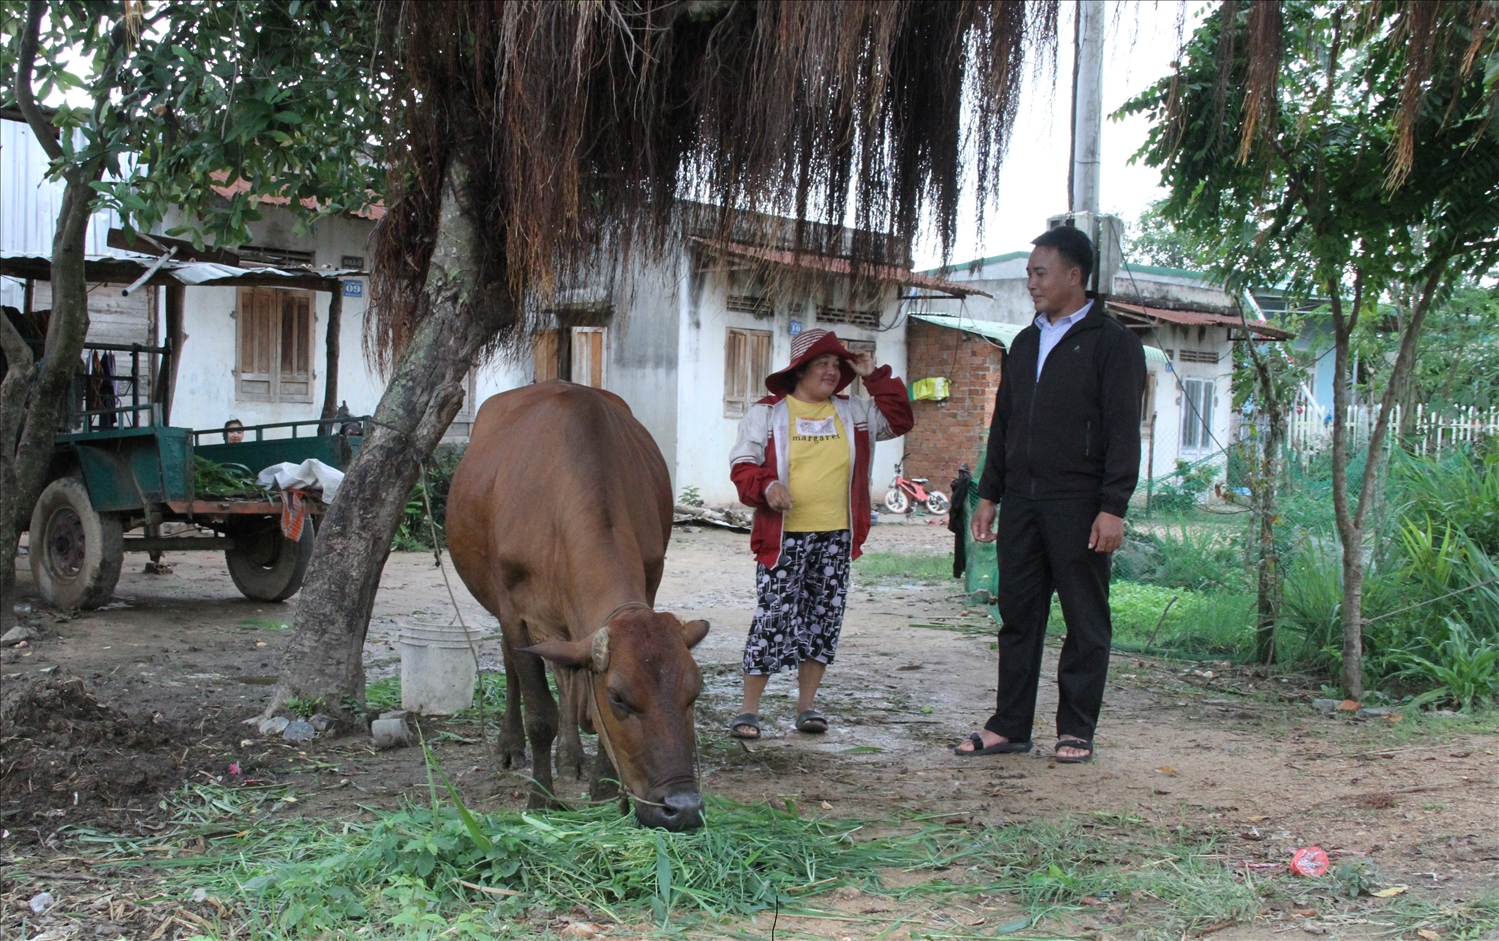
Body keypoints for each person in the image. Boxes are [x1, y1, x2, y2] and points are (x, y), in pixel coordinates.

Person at [954, 226, 1146, 763]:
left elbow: (1123, 432)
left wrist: (1113, 507)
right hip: (1024, 502)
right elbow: (1006, 422)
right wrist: (989, 493)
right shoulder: (1026, 342)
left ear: (1074, 276)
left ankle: (1076, 729)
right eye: (1030, 273)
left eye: (1040, 273)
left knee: (1085, 618)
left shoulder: (1113, 345)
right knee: (1019, 615)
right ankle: (1010, 725)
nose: (1032, 283)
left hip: (1080, 505)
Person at [728, 329, 913, 739]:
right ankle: (749, 710)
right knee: (773, 618)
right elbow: (743, 466)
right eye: (822, 364)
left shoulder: (856, 412)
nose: (831, 371)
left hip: (836, 536)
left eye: (837, 364)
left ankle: (807, 706)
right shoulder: (768, 412)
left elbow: (901, 419)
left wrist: (875, 375)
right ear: (799, 371)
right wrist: (767, 486)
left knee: (823, 619)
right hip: (784, 538)